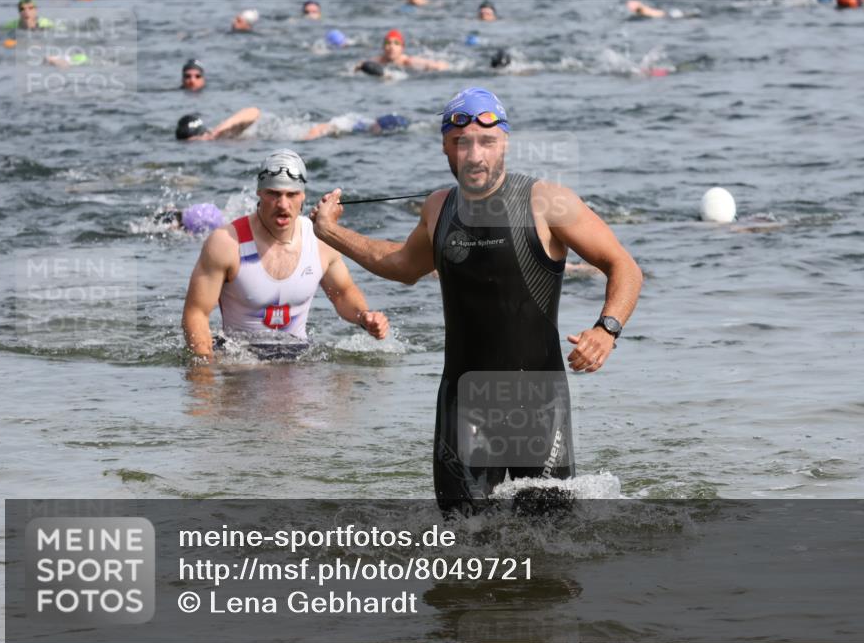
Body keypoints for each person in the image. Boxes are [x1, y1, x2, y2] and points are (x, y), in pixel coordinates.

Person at [310, 88, 643, 514]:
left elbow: (624, 266)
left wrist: (606, 329)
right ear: (445, 147)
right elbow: (402, 266)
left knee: (550, 553)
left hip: (537, 403)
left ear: (505, 142)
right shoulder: (437, 208)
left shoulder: (546, 202)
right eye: (460, 143)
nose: (474, 155)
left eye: (487, 142)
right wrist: (331, 232)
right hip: (460, 403)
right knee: (463, 545)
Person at [182, 149, 389, 362]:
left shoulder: (321, 240)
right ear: (259, 193)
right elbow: (196, 313)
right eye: (273, 193)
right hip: (241, 365)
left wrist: (364, 317)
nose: (282, 204)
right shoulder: (226, 242)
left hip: (298, 359)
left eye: (291, 194)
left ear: (303, 196)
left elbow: (342, 293)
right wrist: (204, 375)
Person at [174, 108, 408, 141]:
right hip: (307, 134)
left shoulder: (222, 134)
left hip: (311, 132)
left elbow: (253, 111)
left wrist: (218, 130)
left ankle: (385, 125)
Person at [365, 29, 449, 72]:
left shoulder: (407, 61)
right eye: (388, 43)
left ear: (402, 48)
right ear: (383, 47)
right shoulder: (378, 61)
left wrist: (435, 66)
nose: (391, 46)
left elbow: (432, 64)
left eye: (396, 43)